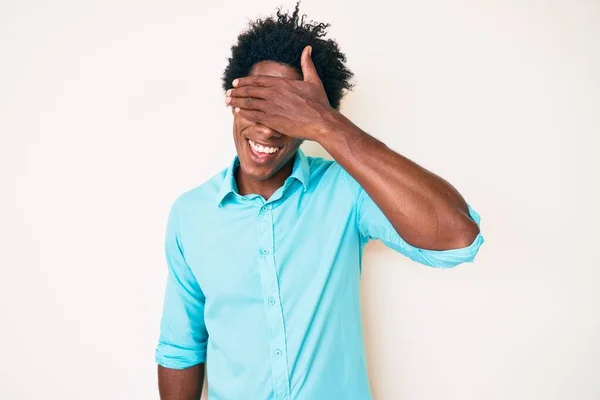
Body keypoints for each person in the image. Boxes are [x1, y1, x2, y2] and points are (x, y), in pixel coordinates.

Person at [155, 3, 484, 399]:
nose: (266, 128)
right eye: (258, 104)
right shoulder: (191, 214)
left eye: (288, 112)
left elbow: (457, 238)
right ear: (234, 98)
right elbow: (181, 348)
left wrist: (326, 124)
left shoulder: (347, 190)